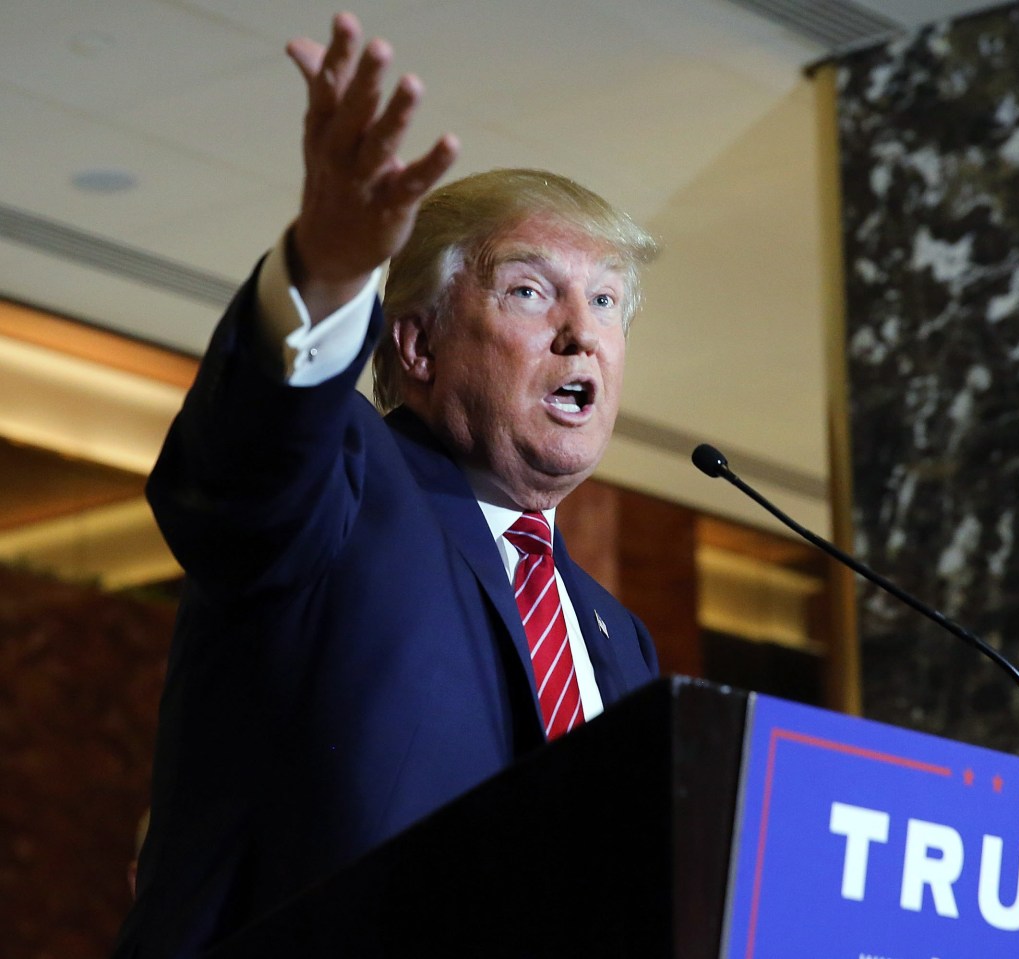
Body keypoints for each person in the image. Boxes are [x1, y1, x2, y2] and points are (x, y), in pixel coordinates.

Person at [114, 13, 661, 958]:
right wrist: (324, 276)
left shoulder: (620, 637)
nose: (583, 333)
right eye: (531, 291)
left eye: (606, 300)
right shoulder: (346, 485)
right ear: (415, 344)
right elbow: (246, 465)